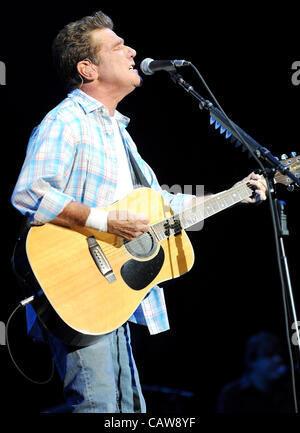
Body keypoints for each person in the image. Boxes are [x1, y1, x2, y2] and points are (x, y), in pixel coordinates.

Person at [11, 11, 268, 413]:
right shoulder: (66, 121)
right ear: (87, 68)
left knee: (129, 410)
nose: (132, 50)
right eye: (117, 46)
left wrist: (235, 193)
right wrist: (107, 221)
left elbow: (163, 206)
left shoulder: (119, 134)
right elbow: (30, 194)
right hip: (76, 289)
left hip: (110, 295)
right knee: (98, 407)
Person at [217, 332, 294, 413]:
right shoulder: (232, 394)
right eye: (269, 355)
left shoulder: (286, 391)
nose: (278, 359)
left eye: (279, 354)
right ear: (252, 361)